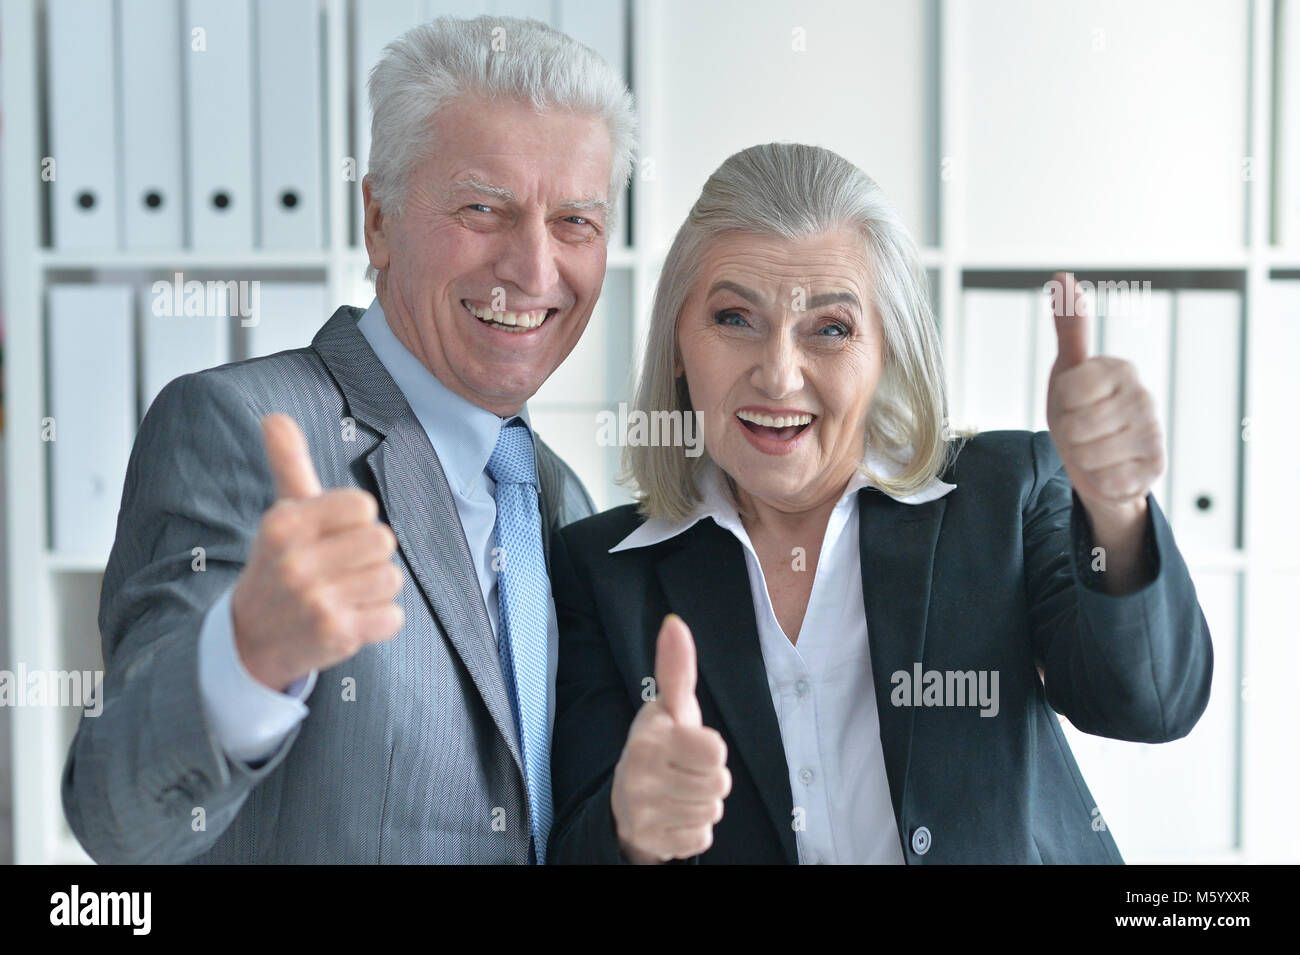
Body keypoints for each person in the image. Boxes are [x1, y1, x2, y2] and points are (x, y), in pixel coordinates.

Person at [61, 15, 635, 864]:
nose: (535, 271)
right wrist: (247, 655)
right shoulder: (241, 429)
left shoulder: (559, 497)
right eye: (484, 208)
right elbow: (120, 817)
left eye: (575, 224)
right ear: (378, 219)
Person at [547, 143, 1212, 864]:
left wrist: (1116, 508)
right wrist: (628, 826)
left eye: (830, 329)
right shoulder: (598, 569)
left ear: (887, 351)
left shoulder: (1001, 492)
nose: (777, 374)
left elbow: (1149, 703)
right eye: (735, 317)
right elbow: (576, 842)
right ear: (677, 341)